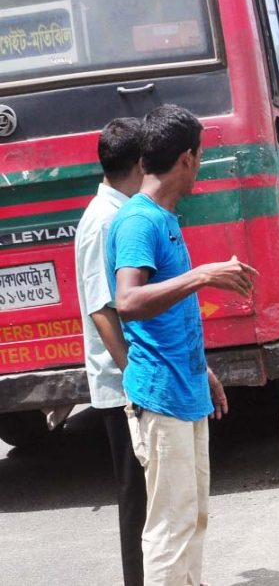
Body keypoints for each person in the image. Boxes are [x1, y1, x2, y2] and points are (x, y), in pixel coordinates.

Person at [107, 104, 258, 586]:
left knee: (192, 520)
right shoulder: (139, 221)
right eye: (201, 157)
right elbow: (126, 301)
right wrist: (204, 275)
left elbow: (168, 316)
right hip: (160, 396)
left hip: (185, 387)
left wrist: (204, 370)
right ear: (187, 159)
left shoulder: (165, 217)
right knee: (171, 529)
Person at [74, 117, 147, 586]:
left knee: (147, 493)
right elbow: (103, 310)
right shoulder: (103, 221)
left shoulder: (119, 211)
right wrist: (133, 375)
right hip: (120, 383)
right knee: (135, 496)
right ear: (141, 162)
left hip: (128, 377)